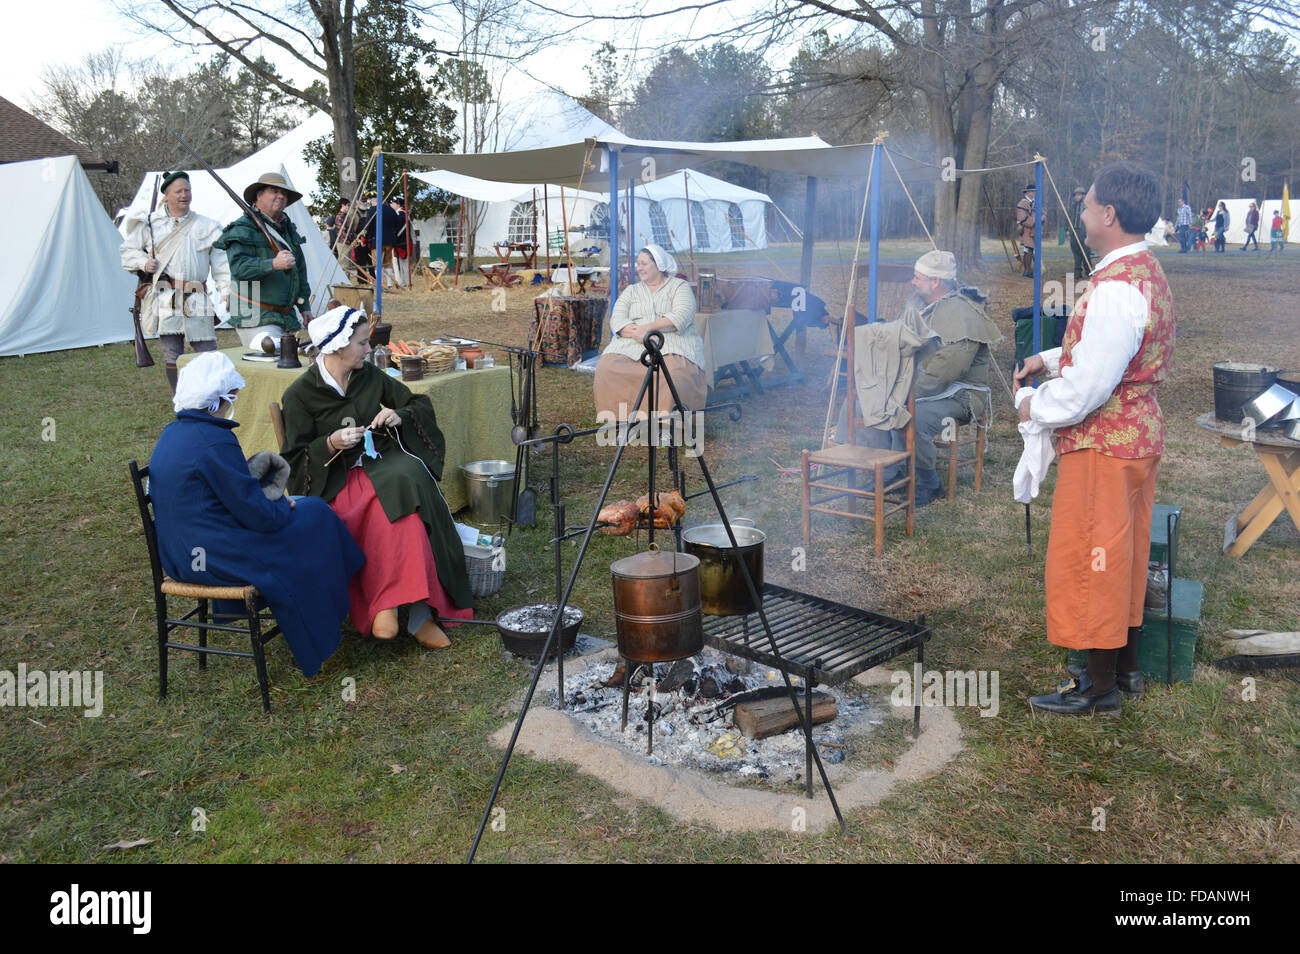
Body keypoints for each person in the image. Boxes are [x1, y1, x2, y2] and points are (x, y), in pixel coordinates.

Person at [1014, 161, 1175, 715]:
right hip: (1136, 438)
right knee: (1124, 555)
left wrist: (1037, 404)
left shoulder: (1116, 290)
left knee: (1093, 559)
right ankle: (1124, 669)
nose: (1080, 212)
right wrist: (1048, 355)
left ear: (1109, 214)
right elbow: (1109, 353)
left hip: (1104, 445)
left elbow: (1088, 387)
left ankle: (1097, 688)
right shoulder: (1140, 270)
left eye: (1087, 205)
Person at [148, 352, 364, 676]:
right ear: (221, 397)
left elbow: (219, 494)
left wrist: (265, 495)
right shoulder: (214, 440)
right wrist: (279, 500)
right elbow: (259, 515)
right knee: (315, 515)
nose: (234, 400)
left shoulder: (172, 433)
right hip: (214, 553)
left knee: (309, 514)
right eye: (232, 395)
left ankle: (330, 605)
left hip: (180, 553)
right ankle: (330, 613)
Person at [279, 306, 473, 648]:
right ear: (338, 346)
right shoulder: (300, 394)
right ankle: (406, 611)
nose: (369, 350)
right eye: (362, 343)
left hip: (382, 465)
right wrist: (330, 443)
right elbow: (294, 460)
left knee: (406, 480)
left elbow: (418, 404)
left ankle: (406, 610)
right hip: (335, 480)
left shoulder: (369, 376)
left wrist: (398, 415)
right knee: (396, 508)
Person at [837, 250, 1002, 506]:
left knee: (912, 416)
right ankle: (889, 472)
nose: (912, 282)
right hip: (920, 386)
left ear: (935, 281)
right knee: (875, 404)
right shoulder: (921, 305)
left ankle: (927, 482)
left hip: (960, 393)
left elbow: (947, 369)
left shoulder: (962, 313)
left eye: (917, 277)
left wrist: (905, 396)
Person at [120, 172, 231, 393]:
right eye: (178, 191)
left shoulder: (207, 226)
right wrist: (144, 262)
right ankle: (180, 401)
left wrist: (225, 289)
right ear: (167, 195)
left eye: (187, 190)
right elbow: (127, 251)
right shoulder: (150, 224)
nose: (184, 195)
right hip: (165, 294)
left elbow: (222, 262)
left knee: (207, 351)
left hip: (197, 295)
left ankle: (210, 398)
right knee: (172, 353)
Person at [593, 244, 708, 419]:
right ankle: (623, 419)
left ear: (659, 265)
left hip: (672, 342)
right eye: (638, 263)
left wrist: (646, 330)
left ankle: (666, 425)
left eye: (644, 263)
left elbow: (680, 316)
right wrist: (633, 333)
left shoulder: (679, 287)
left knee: (672, 374)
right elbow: (617, 318)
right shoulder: (632, 290)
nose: (639, 268)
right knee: (607, 367)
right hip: (631, 343)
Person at [214, 172, 315, 347]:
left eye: (284, 193)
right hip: (253, 314)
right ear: (258, 196)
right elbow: (239, 268)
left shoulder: (287, 229)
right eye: (274, 191)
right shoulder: (242, 228)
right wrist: (273, 264)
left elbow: (299, 270)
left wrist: (304, 306)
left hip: (284, 315)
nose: (281, 196)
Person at [1068, 186, 1094, 278]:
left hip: (1084, 232)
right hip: (1074, 232)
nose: (1076, 197)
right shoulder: (1072, 207)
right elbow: (1068, 218)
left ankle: (1089, 271)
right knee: (1076, 252)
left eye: (1078, 195)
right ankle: (1077, 272)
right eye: (1075, 195)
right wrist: (1068, 229)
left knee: (1085, 252)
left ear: (1083, 195)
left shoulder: (1088, 206)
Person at [1015, 184, 1036, 277]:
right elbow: (1022, 218)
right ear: (1028, 192)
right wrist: (1035, 220)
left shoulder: (1035, 202)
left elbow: (1044, 214)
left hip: (1034, 230)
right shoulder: (1022, 203)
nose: (1034, 193)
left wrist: (1041, 218)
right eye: (1032, 191)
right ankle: (1028, 271)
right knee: (1029, 249)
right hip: (1027, 230)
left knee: (1029, 249)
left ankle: (1028, 270)